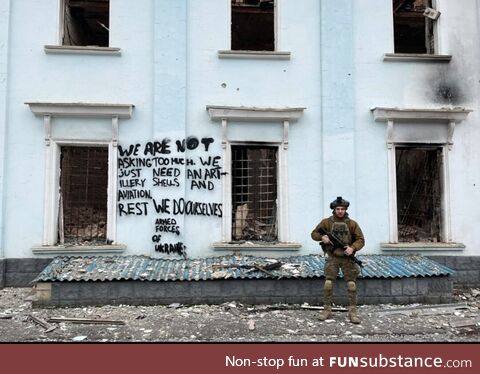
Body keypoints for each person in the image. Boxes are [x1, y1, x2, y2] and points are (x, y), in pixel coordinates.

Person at [311, 196, 365, 324]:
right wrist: (322, 237)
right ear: (334, 210)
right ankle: (327, 310)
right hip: (332, 257)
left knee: (351, 285)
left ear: (345, 210)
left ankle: (353, 312)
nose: (340, 211)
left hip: (347, 259)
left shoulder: (352, 224)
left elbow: (361, 240)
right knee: (328, 283)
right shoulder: (326, 223)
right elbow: (314, 234)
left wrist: (352, 248)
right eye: (338, 209)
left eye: (342, 209)